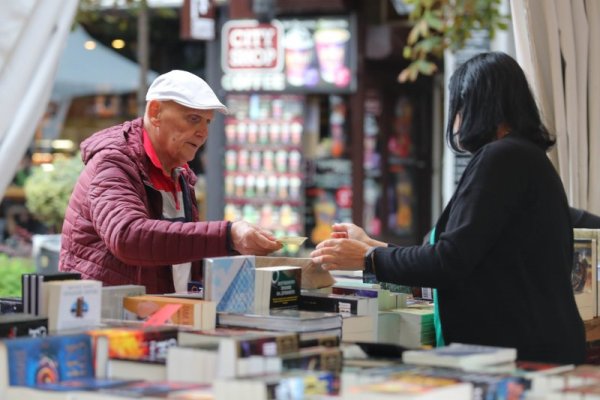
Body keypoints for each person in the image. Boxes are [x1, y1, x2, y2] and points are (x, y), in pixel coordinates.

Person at [310, 52, 586, 364]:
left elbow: (450, 260)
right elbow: (463, 254)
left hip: (518, 354)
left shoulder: (501, 158)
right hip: (536, 344)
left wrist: (368, 258)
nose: (455, 121)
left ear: (474, 104)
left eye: (456, 108)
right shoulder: (525, 157)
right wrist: (372, 247)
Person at [60, 70, 282, 294]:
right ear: (155, 112)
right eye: (193, 119)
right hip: (107, 318)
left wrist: (235, 247)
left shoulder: (179, 172)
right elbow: (127, 237)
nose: (203, 133)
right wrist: (228, 235)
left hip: (157, 314)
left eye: (207, 122)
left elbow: (178, 249)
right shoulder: (113, 161)